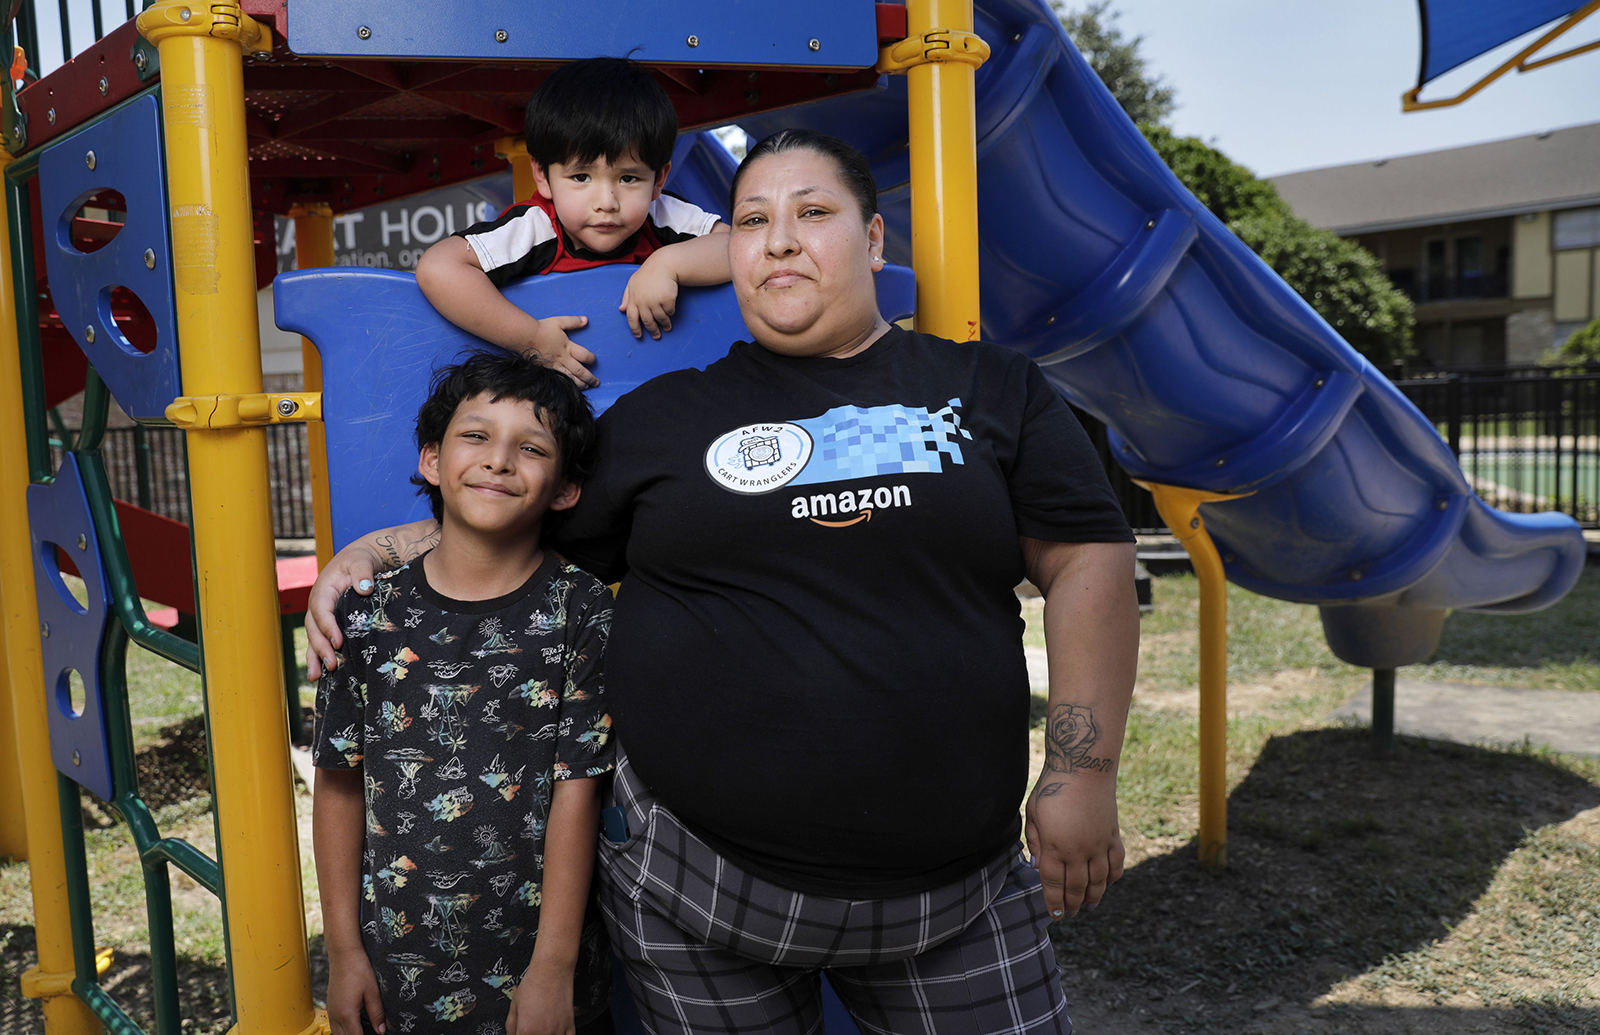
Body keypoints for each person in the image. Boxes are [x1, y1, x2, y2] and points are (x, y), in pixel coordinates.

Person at [310, 129, 1140, 1035]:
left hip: (958, 892)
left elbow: (1086, 558)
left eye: (812, 213)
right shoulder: (665, 419)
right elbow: (520, 526)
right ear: (727, 249)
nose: (779, 239)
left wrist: (1081, 772)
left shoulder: (992, 388)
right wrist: (382, 548)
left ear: (872, 241)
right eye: (752, 220)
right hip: (696, 893)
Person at [311, 351, 617, 1035]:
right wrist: (343, 951)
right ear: (431, 460)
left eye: (531, 447)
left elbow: (579, 790)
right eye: (476, 435)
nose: (499, 460)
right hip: (395, 977)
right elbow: (337, 784)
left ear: (565, 488)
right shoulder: (365, 614)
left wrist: (554, 968)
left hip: (540, 980)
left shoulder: (583, 609)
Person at [415, 57, 732, 388]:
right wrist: (532, 338)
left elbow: (742, 246)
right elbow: (439, 267)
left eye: (628, 178)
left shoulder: (662, 216)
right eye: (581, 176)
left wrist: (667, 264)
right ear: (543, 176)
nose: (606, 203)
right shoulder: (537, 227)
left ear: (658, 180)